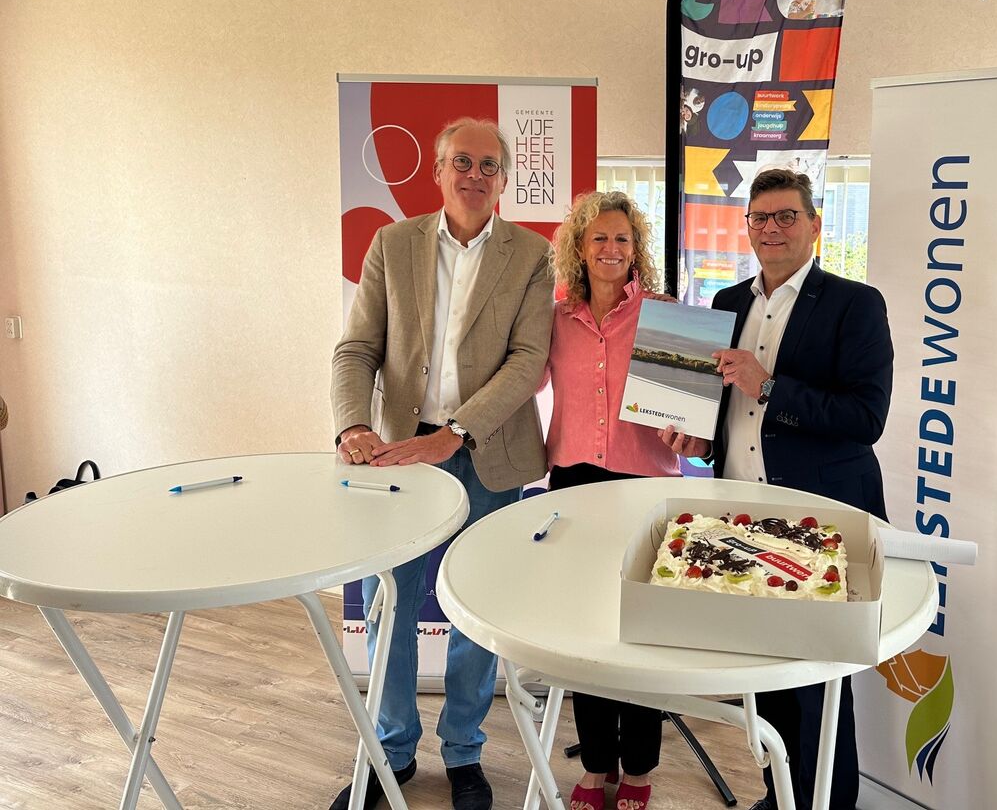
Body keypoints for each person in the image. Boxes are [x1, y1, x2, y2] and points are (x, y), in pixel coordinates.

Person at [330, 117, 554, 810]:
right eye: (462, 161)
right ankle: (392, 751)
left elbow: (528, 362)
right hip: (399, 454)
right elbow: (357, 349)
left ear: (504, 178)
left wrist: (455, 433)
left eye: (489, 165)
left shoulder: (532, 254)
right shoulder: (392, 243)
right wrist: (353, 423)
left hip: (487, 455)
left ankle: (464, 752)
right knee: (389, 606)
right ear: (437, 170)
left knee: (473, 607)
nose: (475, 175)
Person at [708, 167, 894, 810]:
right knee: (766, 680)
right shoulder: (726, 304)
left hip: (820, 522)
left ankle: (830, 804)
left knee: (820, 685)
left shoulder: (855, 304)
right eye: (760, 217)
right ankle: (781, 795)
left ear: (814, 225)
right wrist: (696, 439)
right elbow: (724, 411)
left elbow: (865, 418)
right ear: (747, 228)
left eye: (787, 216)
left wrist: (768, 385)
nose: (772, 228)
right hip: (741, 518)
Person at [544, 190, 709, 810]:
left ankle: (638, 768)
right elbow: (520, 379)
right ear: (579, 249)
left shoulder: (666, 317)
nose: (611, 249)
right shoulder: (554, 319)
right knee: (586, 628)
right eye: (599, 238)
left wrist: (692, 430)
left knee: (641, 630)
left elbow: (692, 425)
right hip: (574, 483)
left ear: (636, 249)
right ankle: (596, 765)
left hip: (647, 485)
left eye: (622, 238)